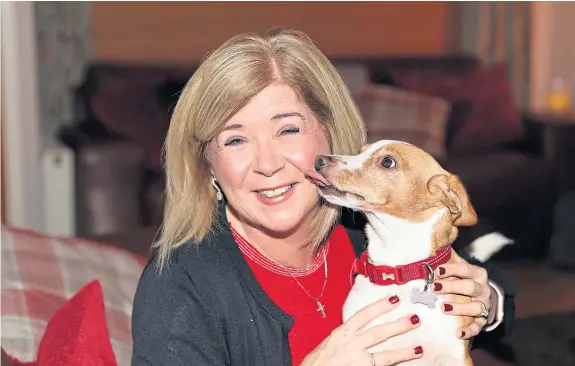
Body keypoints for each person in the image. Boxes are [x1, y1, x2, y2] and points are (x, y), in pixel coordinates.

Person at [131, 29, 515, 366]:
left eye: (288, 130)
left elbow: (485, 282)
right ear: (208, 166)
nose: (267, 164)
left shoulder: (366, 222)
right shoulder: (181, 287)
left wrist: (487, 302)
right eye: (235, 139)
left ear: (330, 133)